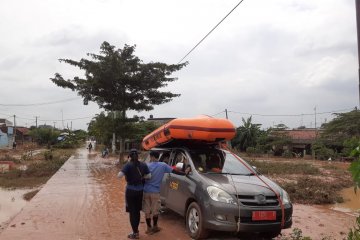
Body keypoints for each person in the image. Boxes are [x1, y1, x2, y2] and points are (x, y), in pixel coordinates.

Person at [143, 151, 185, 235]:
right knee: (155, 211)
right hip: (155, 192)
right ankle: (155, 227)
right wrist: (185, 174)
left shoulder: (146, 165)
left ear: (151, 157)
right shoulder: (163, 165)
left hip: (146, 191)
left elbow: (141, 177)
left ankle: (149, 228)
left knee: (147, 211)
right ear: (158, 157)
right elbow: (174, 171)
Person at [118, 149, 151, 239]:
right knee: (137, 211)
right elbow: (149, 176)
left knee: (132, 213)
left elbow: (119, 176)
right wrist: (141, 177)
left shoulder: (128, 165)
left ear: (130, 157)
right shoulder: (143, 165)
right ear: (138, 156)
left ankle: (135, 233)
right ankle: (136, 231)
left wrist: (127, 172)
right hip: (140, 191)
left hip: (130, 191)